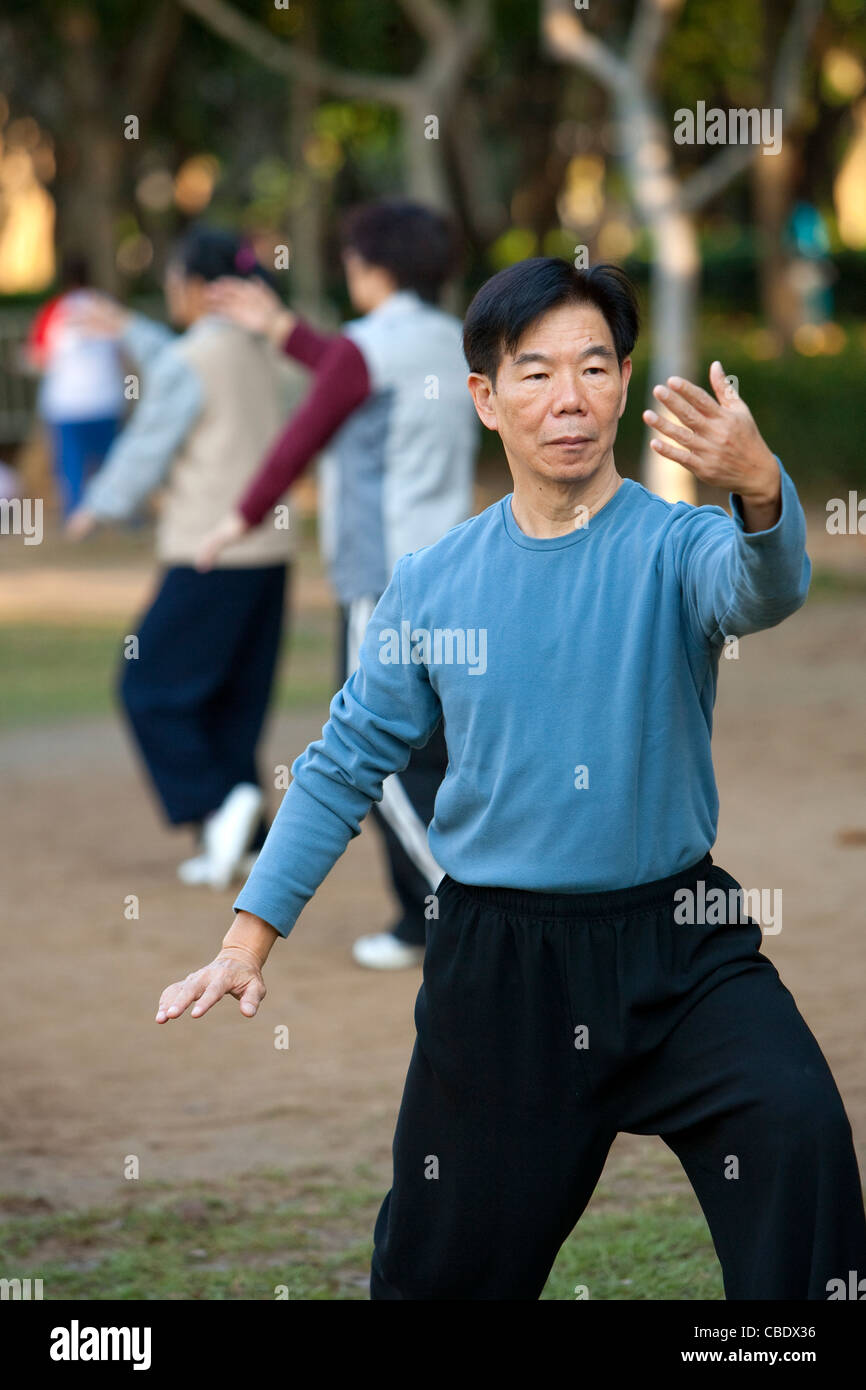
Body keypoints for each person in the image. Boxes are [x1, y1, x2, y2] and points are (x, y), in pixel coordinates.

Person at [154, 256, 866, 1299]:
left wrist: (756, 487)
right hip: (500, 973)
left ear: (623, 381)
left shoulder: (679, 546)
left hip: (678, 949)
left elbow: (763, 589)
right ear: (484, 398)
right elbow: (345, 758)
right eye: (533, 373)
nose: (566, 398)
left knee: (797, 1132)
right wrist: (246, 937)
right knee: (443, 1275)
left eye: (591, 366)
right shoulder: (434, 581)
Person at [196, 198, 479, 970]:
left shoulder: (365, 346)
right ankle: (421, 921)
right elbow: (349, 376)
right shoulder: (456, 343)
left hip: (383, 583)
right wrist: (282, 329)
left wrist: (237, 519)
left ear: (371, 267)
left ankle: (468, 908)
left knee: (375, 757)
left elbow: (302, 435)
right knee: (435, 753)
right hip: (458, 569)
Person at [66, 226, 300, 890]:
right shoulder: (270, 346)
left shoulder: (192, 359)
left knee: (148, 687)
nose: (170, 291)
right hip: (271, 551)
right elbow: (188, 363)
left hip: (207, 548)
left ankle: (215, 805)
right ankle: (247, 837)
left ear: (201, 289)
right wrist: (130, 327)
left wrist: (100, 504)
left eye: (173, 281)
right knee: (232, 699)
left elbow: (151, 437)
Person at [26, 254, 125, 518]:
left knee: (72, 467)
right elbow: (124, 353)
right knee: (112, 462)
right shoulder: (106, 305)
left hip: (66, 404)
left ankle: (77, 517)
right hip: (107, 399)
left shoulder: (53, 310)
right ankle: (117, 513)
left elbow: (38, 356)